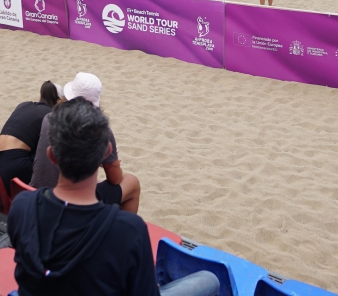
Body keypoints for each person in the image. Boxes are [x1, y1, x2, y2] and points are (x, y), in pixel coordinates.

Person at [12, 97, 218, 296]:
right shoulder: (128, 230)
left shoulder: (22, 206)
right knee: (209, 280)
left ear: (51, 155)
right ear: (106, 152)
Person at [31, 73, 141, 213]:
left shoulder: (48, 118)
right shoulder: (102, 130)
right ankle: (121, 230)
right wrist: (104, 159)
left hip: (38, 195)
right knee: (132, 182)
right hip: (70, 205)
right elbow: (115, 179)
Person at [0, 81, 61, 194]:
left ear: (41, 96)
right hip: (14, 171)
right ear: (57, 101)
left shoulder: (23, 105)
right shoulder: (49, 115)